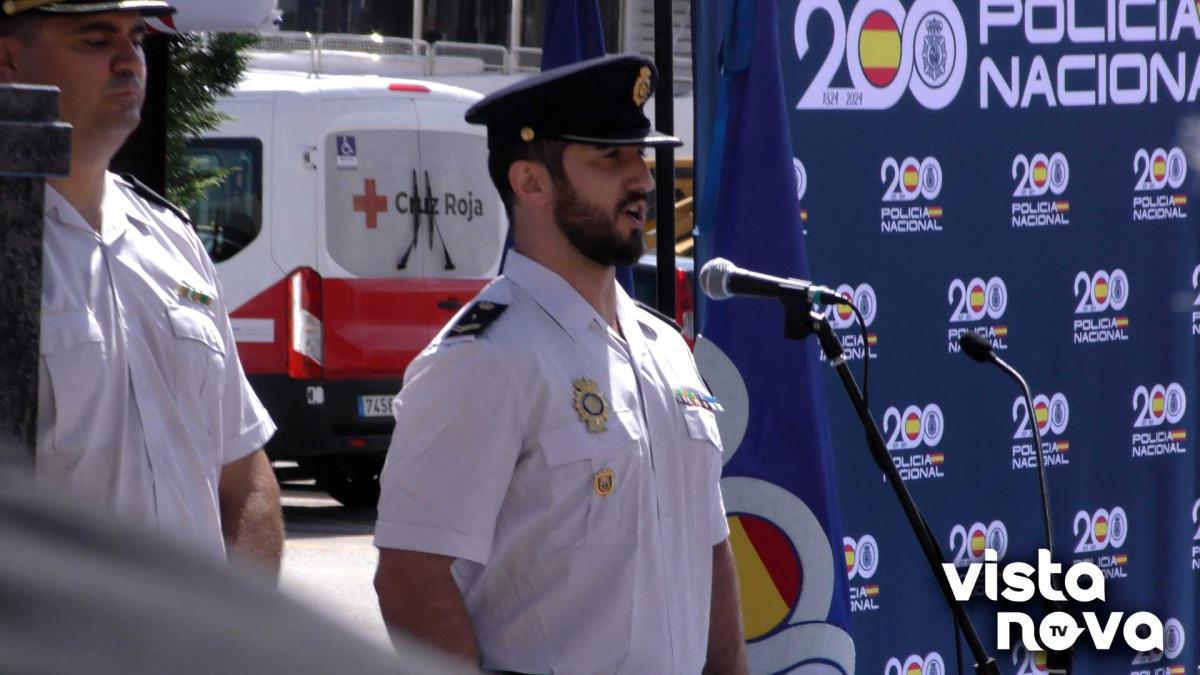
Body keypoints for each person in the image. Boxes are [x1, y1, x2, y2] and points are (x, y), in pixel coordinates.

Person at [373, 54, 747, 674]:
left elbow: (707, 543)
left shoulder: (664, 347)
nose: (642, 179)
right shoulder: (484, 359)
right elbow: (411, 579)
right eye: (610, 157)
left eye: (640, 156)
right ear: (531, 183)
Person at [0, 0, 283, 570]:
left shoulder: (172, 239)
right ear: (7, 60)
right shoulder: (13, 242)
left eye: (137, 38)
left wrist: (235, 618)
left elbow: (244, 474)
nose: (129, 60)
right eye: (95, 40)